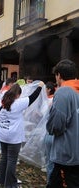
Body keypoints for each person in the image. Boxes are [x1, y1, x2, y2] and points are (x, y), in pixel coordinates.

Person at [0, 82, 44, 188]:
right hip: (13, 136)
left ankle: (2, 181)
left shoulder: (3, 102)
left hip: (2, 133)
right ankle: (10, 184)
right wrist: (40, 87)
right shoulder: (18, 103)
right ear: (18, 94)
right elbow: (33, 97)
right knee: (12, 159)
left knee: (4, 158)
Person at [46, 59, 79, 188]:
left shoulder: (63, 92)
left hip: (66, 154)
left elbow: (56, 126)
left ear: (59, 75)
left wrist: (49, 126)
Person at [42, 81, 56, 182]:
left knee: (49, 152)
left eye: (45, 89)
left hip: (48, 129)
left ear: (49, 89)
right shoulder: (46, 99)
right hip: (45, 127)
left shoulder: (52, 100)